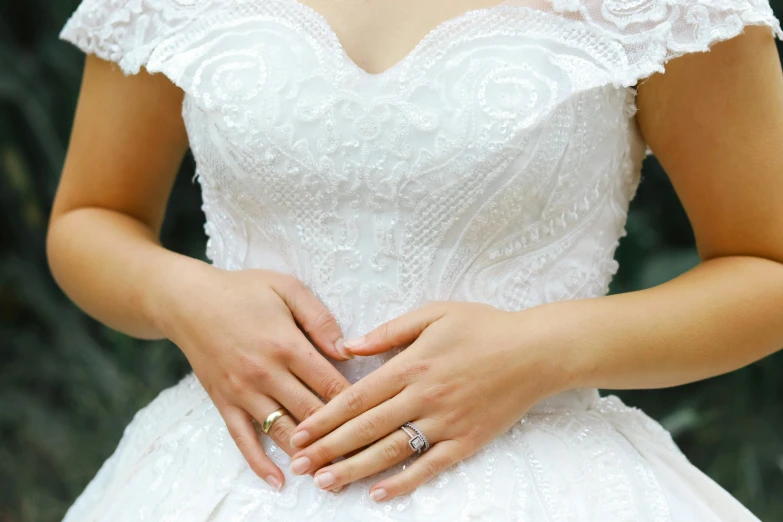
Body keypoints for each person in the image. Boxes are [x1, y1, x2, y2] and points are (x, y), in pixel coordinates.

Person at [49, 0, 783, 520]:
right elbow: (90, 217)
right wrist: (184, 296)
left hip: (538, 481)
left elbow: (767, 265)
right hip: (225, 475)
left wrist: (543, 349)